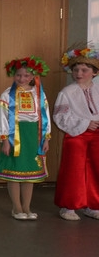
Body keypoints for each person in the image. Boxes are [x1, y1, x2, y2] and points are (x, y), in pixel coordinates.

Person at [0, 57, 51, 220]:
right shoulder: (7, 94)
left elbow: (45, 116)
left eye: (26, 75)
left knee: (29, 174)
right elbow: (2, 117)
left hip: (33, 136)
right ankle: (16, 207)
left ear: (33, 76)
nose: (22, 78)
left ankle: (27, 207)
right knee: (15, 172)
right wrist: (5, 139)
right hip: (15, 136)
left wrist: (46, 138)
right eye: (18, 75)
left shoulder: (39, 94)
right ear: (13, 74)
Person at [53, 43, 99, 221]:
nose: (79, 73)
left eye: (84, 70)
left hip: (97, 136)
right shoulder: (67, 92)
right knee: (74, 170)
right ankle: (69, 205)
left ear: (94, 72)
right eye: (76, 70)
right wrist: (85, 123)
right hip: (76, 135)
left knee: (96, 169)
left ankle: (92, 204)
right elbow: (60, 116)